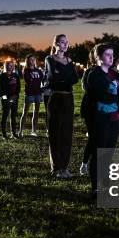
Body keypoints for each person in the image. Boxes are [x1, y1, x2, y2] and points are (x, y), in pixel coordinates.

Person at [86, 44, 119, 197]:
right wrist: (117, 91)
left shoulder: (115, 74)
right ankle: (95, 188)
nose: (111, 57)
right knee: (99, 152)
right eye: (107, 54)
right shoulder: (94, 74)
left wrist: (116, 90)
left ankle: (105, 184)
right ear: (99, 57)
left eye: (112, 54)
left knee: (109, 153)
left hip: (115, 118)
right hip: (100, 118)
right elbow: (102, 96)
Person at [44, 34, 79, 178]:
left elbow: (75, 79)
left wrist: (63, 78)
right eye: (62, 42)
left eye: (67, 42)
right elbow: (53, 77)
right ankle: (56, 168)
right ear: (56, 43)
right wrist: (65, 79)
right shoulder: (49, 59)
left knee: (66, 133)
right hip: (56, 97)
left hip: (68, 98)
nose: (65, 44)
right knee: (55, 132)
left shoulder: (70, 61)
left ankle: (64, 167)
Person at [79, 50, 97, 176]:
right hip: (90, 107)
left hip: (105, 108)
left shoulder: (109, 71)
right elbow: (85, 87)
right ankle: (85, 163)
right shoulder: (89, 71)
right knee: (93, 137)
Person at [19, 55, 44, 137]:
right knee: (25, 112)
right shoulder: (26, 70)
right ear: (28, 61)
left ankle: (34, 131)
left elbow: (42, 79)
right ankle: (21, 131)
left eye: (34, 59)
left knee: (36, 112)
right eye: (31, 60)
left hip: (38, 93)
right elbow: (28, 80)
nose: (32, 61)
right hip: (29, 93)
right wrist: (34, 81)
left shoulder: (38, 70)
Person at [0, 59, 21, 139]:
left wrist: (16, 96)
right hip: (6, 99)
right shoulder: (2, 76)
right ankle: (4, 134)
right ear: (5, 66)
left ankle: (13, 133)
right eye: (8, 65)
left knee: (13, 116)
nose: (10, 67)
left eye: (11, 65)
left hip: (14, 98)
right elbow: (1, 89)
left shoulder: (16, 75)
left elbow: (18, 87)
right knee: (5, 116)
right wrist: (4, 99)